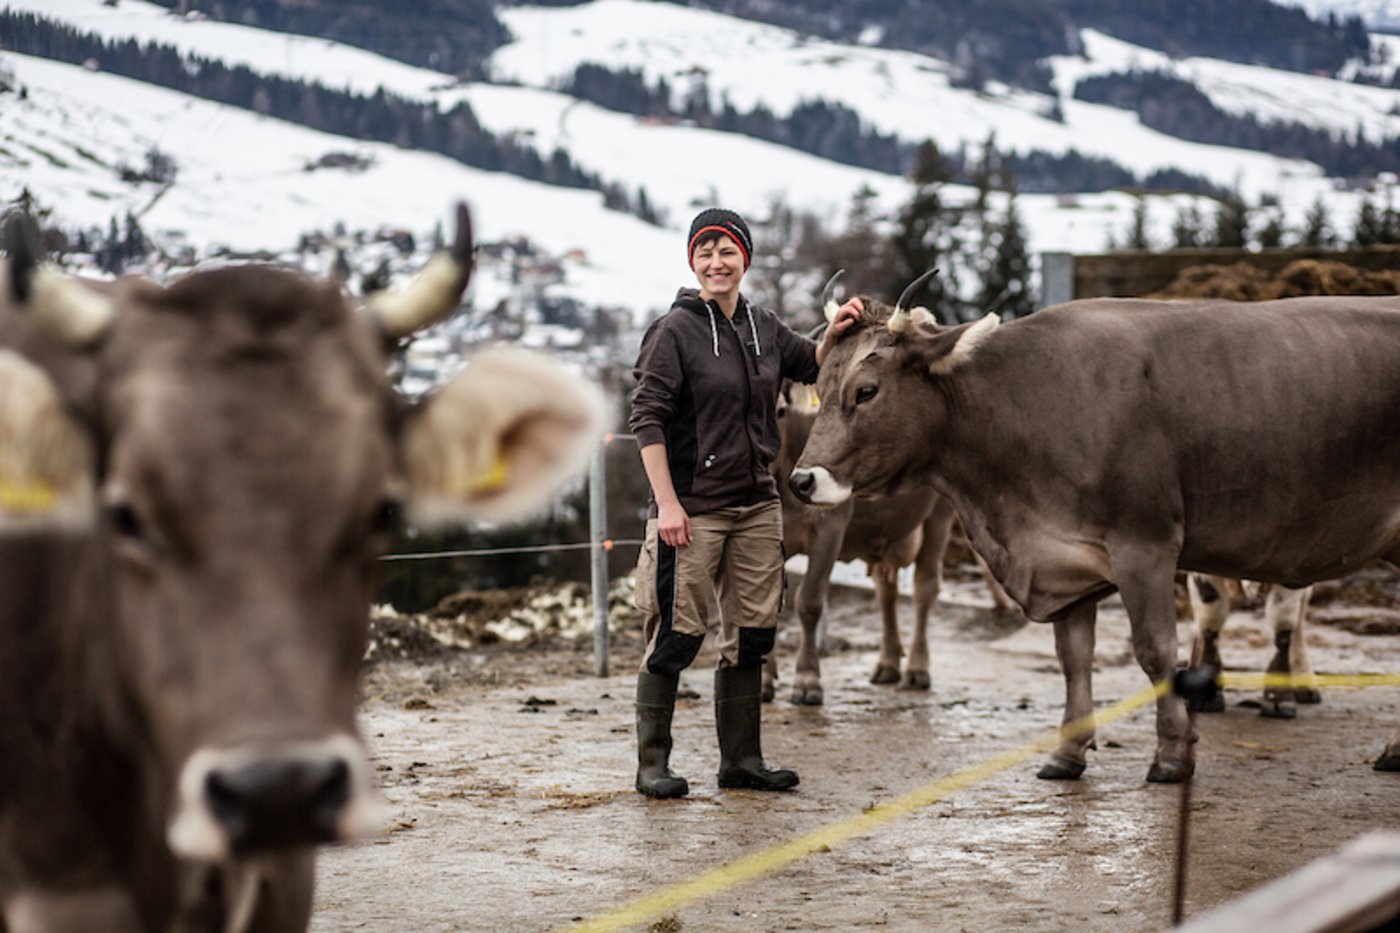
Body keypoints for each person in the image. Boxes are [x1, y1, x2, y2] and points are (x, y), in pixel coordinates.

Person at [627, 207, 860, 798]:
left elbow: (812, 365)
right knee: (676, 636)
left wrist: (838, 331)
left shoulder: (763, 327)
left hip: (758, 505)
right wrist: (668, 506)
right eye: (704, 252)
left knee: (754, 632)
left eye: (727, 251)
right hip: (692, 510)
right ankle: (652, 764)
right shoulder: (673, 332)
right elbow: (646, 421)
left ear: (745, 259)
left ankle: (742, 762)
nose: (716, 262)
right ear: (692, 262)